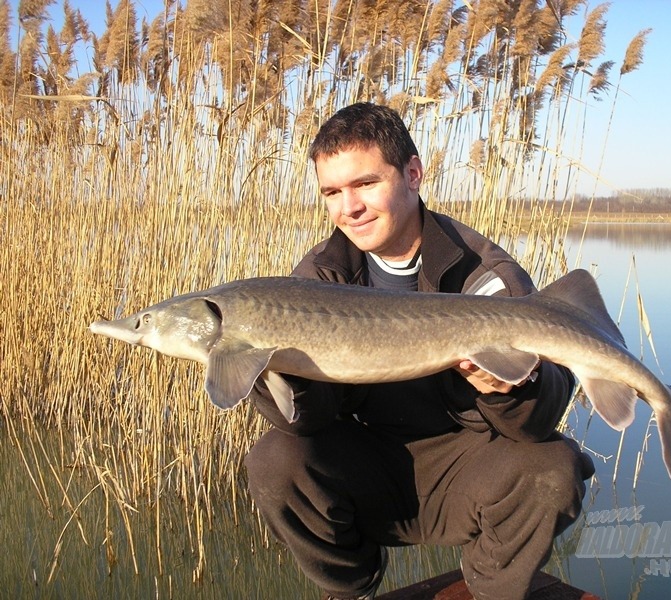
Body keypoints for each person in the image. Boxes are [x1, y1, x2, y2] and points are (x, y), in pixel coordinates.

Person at [244, 102, 594, 600]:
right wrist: (269, 366)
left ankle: (490, 587)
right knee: (275, 459)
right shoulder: (320, 278)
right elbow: (306, 422)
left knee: (554, 468)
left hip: (469, 469)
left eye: (365, 183)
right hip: (372, 469)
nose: (350, 207)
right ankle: (350, 590)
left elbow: (535, 421)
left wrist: (505, 389)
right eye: (332, 192)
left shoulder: (485, 275)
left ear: (413, 173)